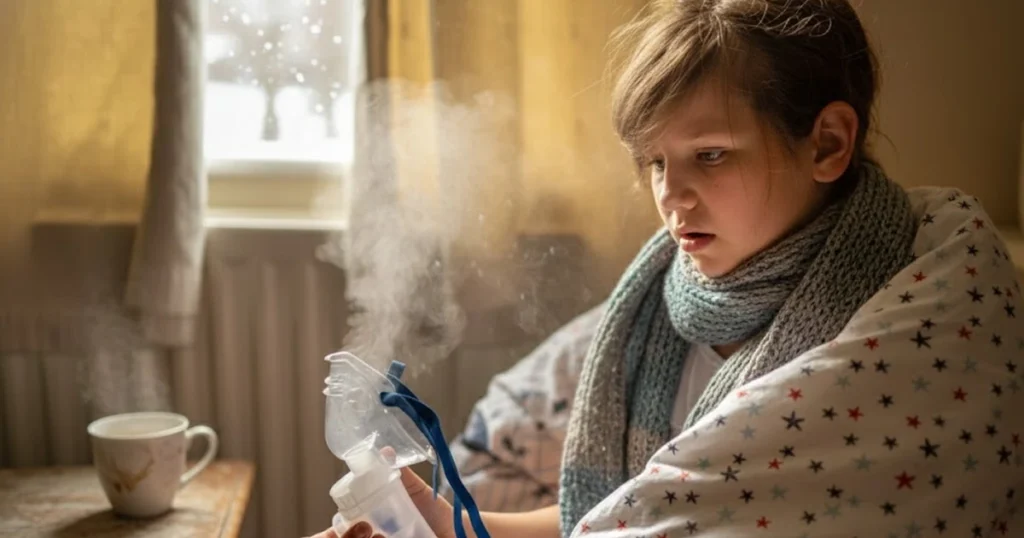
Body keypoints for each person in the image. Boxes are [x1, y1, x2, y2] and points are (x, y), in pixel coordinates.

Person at [315, 0, 1024, 536]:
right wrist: (448, 524)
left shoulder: (916, 308)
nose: (671, 195)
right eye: (655, 162)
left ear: (828, 143)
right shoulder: (664, 310)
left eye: (710, 155)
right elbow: (624, 513)